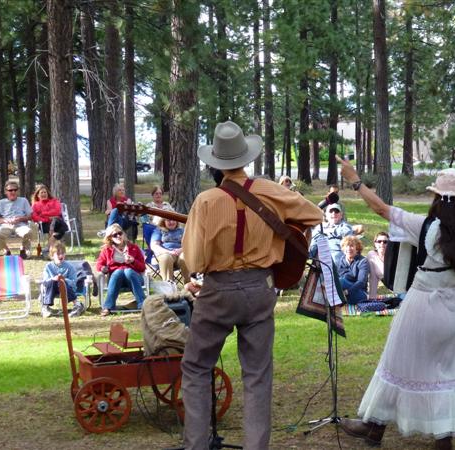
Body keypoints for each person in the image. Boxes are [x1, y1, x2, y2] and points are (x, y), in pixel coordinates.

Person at [335, 145, 455, 449]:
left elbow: (380, 209)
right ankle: (443, 440)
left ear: (438, 198)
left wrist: (356, 181)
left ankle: (373, 428)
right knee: (445, 372)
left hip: (421, 305)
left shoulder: (424, 225)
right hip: (453, 310)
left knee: (397, 362)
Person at [181, 120, 322, 450]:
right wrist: (277, 232)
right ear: (245, 158)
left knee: (197, 366)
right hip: (260, 288)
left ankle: (196, 445)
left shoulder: (205, 201)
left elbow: (194, 260)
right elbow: (313, 215)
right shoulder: (270, 190)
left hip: (217, 289)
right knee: (257, 375)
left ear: (215, 163)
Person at [96, 223, 147, 316]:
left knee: (128, 271)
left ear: (123, 234)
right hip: (116, 278)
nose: (118, 236)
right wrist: (103, 268)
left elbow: (143, 267)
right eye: (115, 235)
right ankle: (108, 306)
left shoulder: (133, 248)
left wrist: (133, 261)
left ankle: (142, 304)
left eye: (120, 233)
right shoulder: (107, 250)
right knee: (118, 271)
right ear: (110, 238)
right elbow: (99, 265)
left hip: (133, 277)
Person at [0, 181, 35, 259]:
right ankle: (6, 250)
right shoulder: (1, 203)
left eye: (15, 190)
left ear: (18, 191)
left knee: (29, 232)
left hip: (20, 224)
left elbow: (31, 216)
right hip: (6, 225)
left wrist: (21, 218)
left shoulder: (23, 201)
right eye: (10, 190)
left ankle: (23, 249)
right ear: (6, 192)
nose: (13, 192)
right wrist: (4, 220)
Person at [41, 243, 85, 318]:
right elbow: (45, 281)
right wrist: (53, 279)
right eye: (58, 254)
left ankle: (77, 305)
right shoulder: (48, 266)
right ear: (52, 256)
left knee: (62, 282)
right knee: (51, 282)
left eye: (62, 253)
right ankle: (45, 307)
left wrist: (64, 280)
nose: (61, 256)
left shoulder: (70, 267)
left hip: (67, 288)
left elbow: (73, 283)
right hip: (53, 289)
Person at [150, 216, 190, 283]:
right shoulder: (158, 231)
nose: (171, 222)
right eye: (168, 220)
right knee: (166, 257)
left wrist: (181, 250)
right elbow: (154, 246)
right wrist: (168, 252)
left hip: (179, 253)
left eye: (173, 220)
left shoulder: (182, 231)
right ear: (164, 221)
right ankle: (169, 286)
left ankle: (189, 285)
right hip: (165, 253)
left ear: (177, 221)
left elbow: (189, 244)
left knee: (185, 256)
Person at [31, 184, 68, 253]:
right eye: (41, 193)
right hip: (44, 225)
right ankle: (52, 247)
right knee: (62, 227)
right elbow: (35, 217)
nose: (43, 194)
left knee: (56, 219)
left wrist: (43, 214)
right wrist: (47, 219)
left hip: (57, 223)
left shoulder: (55, 201)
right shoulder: (35, 205)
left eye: (45, 192)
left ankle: (49, 247)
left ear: (48, 194)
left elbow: (57, 211)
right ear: (38, 195)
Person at [336, 235, 369, 304]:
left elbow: (361, 282)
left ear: (357, 248)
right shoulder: (340, 261)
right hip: (344, 293)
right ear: (343, 248)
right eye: (346, 246)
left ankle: (341, 299)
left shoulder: (363, 261)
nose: (348, 249)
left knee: (341, 281)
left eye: (351, 246)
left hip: (360, 294)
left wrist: (347, 292)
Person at [366, 232, 389, 299]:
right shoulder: (372, 255)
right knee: (371, 254)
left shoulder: (393, 255)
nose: (382, 244)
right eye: (379, 241)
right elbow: (373, 276)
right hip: (386, 280)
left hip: (398, 285)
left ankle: (372, 296)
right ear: (375, 243)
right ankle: (372, 296)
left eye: (385, 242)